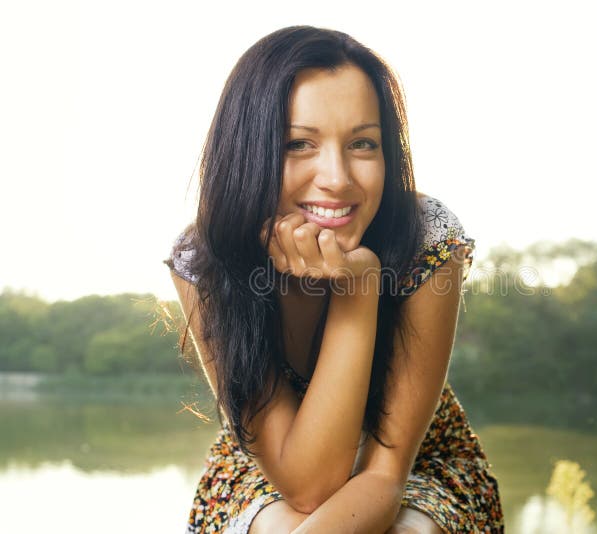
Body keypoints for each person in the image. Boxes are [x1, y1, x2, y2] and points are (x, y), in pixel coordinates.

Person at [163, 25, 504, 533]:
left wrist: (359, 288)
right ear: (248, 151)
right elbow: (309, 485)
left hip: (419, 463)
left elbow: (386, 473)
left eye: (363, 144)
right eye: (299, 144)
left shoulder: (427, 239)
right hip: (269, 468)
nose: (338, 178)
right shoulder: (207, 258)